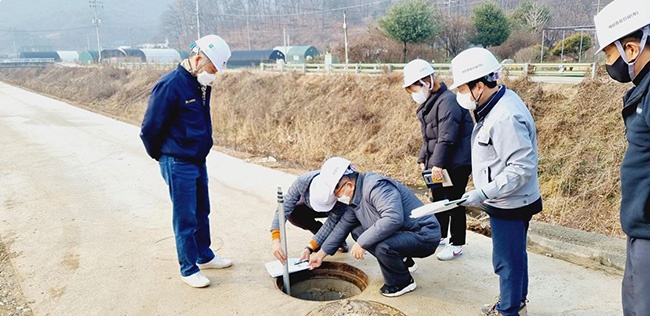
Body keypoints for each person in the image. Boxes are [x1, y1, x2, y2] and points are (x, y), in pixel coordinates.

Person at [449, 47, 542, 316]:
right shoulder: (497, 103)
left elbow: (521, 168)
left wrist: (483, 192)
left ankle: (508, 310)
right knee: (515, 256)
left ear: (479, 85)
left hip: (510, 201)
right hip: (510, 197)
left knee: (506, 261)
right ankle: (516, 303)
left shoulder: (505, 116)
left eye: (463, 89)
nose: (461, 95)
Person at [139, 34, 232, 288]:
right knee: (186, 217)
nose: (213, 74)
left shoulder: (199, 84)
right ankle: (188, 268)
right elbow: (149, 129)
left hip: (197, 159)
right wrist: (163, 156)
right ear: (199, 58)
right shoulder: (170, 85)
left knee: (202, 211)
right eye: (212, 68)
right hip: (178, 162)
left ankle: (204, 255)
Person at [307, 157, 441, 297]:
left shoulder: (376, 186)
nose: (338, 197)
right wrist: (320, 254)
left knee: (381, 244)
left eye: (337, 192)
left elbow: (392, 218)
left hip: (424, 234)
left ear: (349, 185)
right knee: (358, 231)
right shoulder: (356, 197)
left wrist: (362, 243)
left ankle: (402, 282)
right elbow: (342, 227)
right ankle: (402, 260)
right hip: (404, 232)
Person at [594, 2, 650, 315]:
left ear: (631, 48)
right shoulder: (645, 87)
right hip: (640, 227)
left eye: (608, 54)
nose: (609, 63)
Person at [402, 59, 473, 261]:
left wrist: (437, 164)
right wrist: (424, 159)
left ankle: (457, 243)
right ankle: (441, 235)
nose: (414, 94)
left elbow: (446, 137)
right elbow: (429, 137)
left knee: (453, 201)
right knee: (438, 199)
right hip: (441, 161)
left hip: (457, 162)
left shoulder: (447, 101)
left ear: (426, 82)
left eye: (415, 88)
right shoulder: (431, 103)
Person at [270, 170, 350, 265]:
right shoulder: (303, 182)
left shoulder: (346, 191)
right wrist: (275, 240)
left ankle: (336, 239)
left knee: (346, 220)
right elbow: (285, 206)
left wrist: (310, 247)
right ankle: (323, 239)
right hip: (310, 203)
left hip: (338, 207)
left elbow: (331, 223)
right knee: (294, 213)